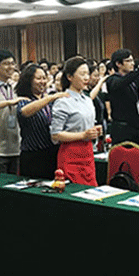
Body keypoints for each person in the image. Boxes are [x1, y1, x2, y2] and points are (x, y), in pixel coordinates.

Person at [50, 57, 100, 186]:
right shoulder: (63, 101)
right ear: (70, 77)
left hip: (88, 152)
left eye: (87, 74)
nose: (86, 78)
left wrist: (94, 131)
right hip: (70, 154)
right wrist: (83, 135)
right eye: (82, 74)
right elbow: (55, 135)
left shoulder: (88, 100)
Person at [16, 64, 68, 179]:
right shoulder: (25, 99)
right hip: (33, 156)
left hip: (52, 152)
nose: (43, 82)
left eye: (44, 78)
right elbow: (24, 112)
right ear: (29, 81)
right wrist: (50, 98)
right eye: (38, 78)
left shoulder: (48, 101)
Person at [106, 49, 139, 144]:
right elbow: (123, 82)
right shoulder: (113, 80)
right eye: (129, 61)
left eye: (132, 60)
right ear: (118, 64)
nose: (132, 63)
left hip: (136, 126)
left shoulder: (133, 80)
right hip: (122, 128)